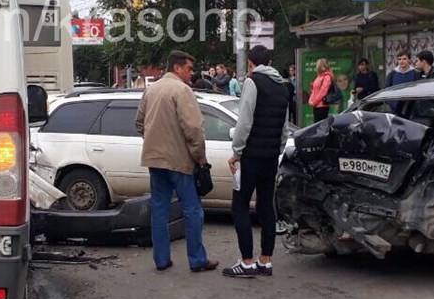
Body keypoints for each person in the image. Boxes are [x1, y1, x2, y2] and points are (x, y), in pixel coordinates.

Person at [135, 50, 218, 273]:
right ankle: (197, 260)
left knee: (160, 210)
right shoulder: (182, 90)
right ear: (177, 68)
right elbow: (193, 129)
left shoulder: (151, 90)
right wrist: (200, 157)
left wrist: (153, 142)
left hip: (154, 159)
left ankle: (161, 260)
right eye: (189, 69)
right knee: (192, 210)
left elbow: (139, 123)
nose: (192, 73)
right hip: (179, 161)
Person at [224, 45, 292, 279]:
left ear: (251, 64)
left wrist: (237, 152)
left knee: (240, 205)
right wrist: (277, 149)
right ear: (270, 62)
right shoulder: (283, 88)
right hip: (271, 156)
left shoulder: (252, 83)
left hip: (252, 155)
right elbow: (284, 128)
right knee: (266, 207)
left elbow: (244, 122)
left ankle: (247, 262)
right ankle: (266, 260)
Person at [307, 58, 337, 124]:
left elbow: (323, 92)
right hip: (316, 106)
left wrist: (314, 102)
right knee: (316, 125)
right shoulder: (319, 76)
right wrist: (310, 100)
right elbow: (314, 90)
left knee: (320, 126)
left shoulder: (327, 77)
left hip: (322, 106)